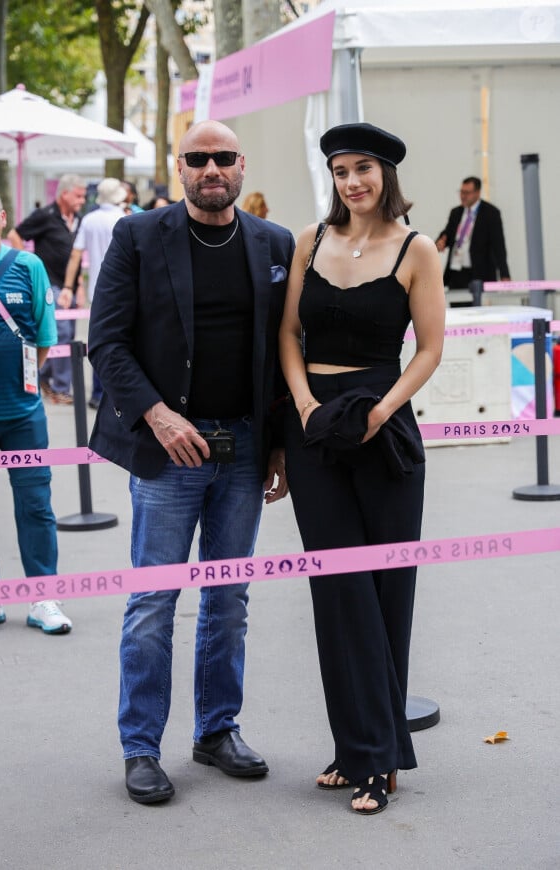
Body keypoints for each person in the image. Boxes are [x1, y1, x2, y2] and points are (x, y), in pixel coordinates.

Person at [88, 119, 295, 805]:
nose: (212, 168)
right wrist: (158, 414)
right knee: (153, 601)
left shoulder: (274, 243)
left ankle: (216, 731)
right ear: (180, 167)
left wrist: (279, 446)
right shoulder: (140, 237)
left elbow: (284, 352)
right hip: (167, 450)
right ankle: (141, 747)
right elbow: (107, 343)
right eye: (198, 158)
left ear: (242, 164)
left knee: (228, 600)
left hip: (242, 451)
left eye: (224, 157)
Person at [279, 122, 445, 816]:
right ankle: (359, 748)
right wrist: (307, 408)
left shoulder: (416, 249)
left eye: (364, 169)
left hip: (384, 429)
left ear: (386, 176)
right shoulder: (307, 243)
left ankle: (375, 757)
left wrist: (381, 410)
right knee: (336, 588)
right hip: (316, 426)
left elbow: (430, 349)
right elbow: (289, 334)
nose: (353, 181)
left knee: (384, 591)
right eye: (341, 170)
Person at [0, 184, 72, 635]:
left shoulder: (28, 265)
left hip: (22, 415)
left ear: (3, 217)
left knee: (35, 506)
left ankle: (43, 596)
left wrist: (25, 387)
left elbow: (47, 336)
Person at [7, 174, 87, 404]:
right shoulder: (45, 215)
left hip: (69, 285)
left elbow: (77, 257)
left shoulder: (78, 219)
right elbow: (15, 234)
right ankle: (61, 388)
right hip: (49, 283)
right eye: (78, 196)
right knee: (60, 332)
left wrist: (79, 286)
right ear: (64, 194)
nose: (82, 200)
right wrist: (26, 265)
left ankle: (47, 377)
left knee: (68, 334)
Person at [62, 178, 127, 410]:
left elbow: (76, 255)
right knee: (123, 341)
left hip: (97, 289)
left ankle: (98, 392)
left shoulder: (89, 219)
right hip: (124, 287)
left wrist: (69, 286)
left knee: (100, 339)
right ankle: (115, 394)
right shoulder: (124, 218)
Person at [435, 176, 510, 302]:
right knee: (458, 310)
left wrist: (504, 274)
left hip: (478, 273)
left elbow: (499, 246)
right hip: (456, 272)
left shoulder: (491, 213)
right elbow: (447, 234)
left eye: (467, 193)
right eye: (461, 192)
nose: (463, 196)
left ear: (477, 193)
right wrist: (440, 242)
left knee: (477, 312)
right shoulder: (456, 212)